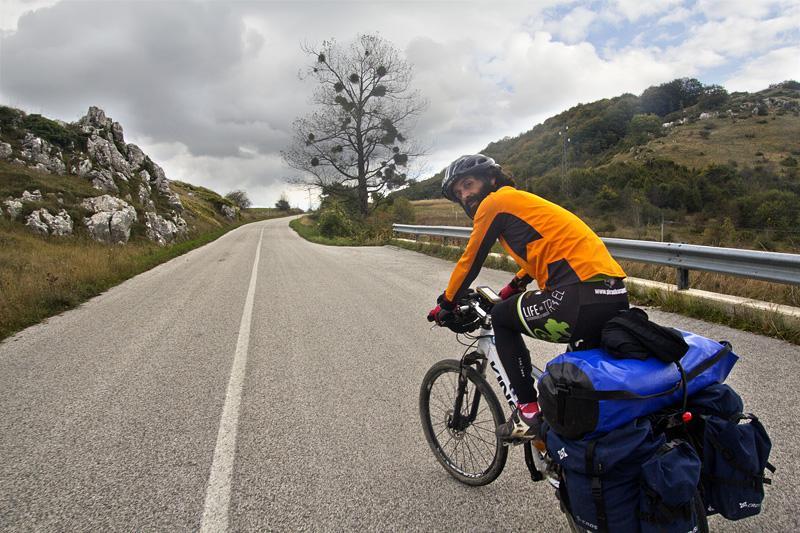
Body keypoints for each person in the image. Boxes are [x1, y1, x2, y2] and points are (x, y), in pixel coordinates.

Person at [427, 154, 629, 440]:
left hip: (575, 296)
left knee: (501, 316)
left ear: (491, 179)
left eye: (468, 184)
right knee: (578, 384)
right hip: (612, 295)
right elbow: (542, 253)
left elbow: (470, 261)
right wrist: (514, 286)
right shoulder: (519, 202)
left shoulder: (494, 203)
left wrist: (447, 303)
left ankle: (528, 412)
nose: (465, 195)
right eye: (459, 193)